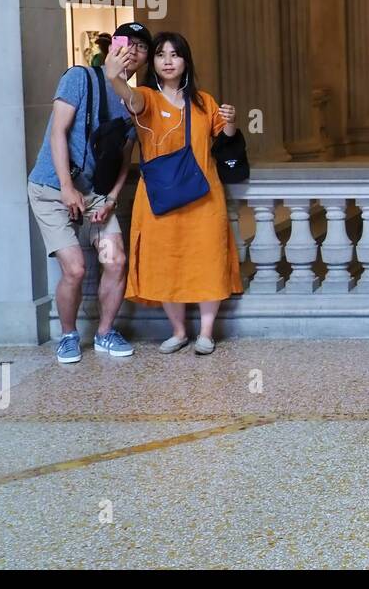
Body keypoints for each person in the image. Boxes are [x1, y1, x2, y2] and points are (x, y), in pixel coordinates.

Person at [102, 32, 243, 355]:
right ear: (152, 62)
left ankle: (206, 333)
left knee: (209, 258)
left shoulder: (203, 101)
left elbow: (226, 140)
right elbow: (130, 98)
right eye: (161, 54)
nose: (168, 60)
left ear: (185, 61)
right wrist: (114, 78)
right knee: (163, 260)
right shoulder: (147, 98)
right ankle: (179, 331)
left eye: (175, 54)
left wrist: (231, 122)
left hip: (204, 196)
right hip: (159, 199)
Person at [27, 21, 151, 364]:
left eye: (142, 48)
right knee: (76, 269)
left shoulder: (131, 101)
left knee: (116, 260)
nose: (133, 51)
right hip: (52, 188)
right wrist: (67, 188)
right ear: (114, 44)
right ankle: (68, 335)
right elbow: (57, 133)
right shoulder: (79, 78)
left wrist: (111, 198)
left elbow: (126, 156)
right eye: (129, 42)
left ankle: (105, 333)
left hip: (97, 194)